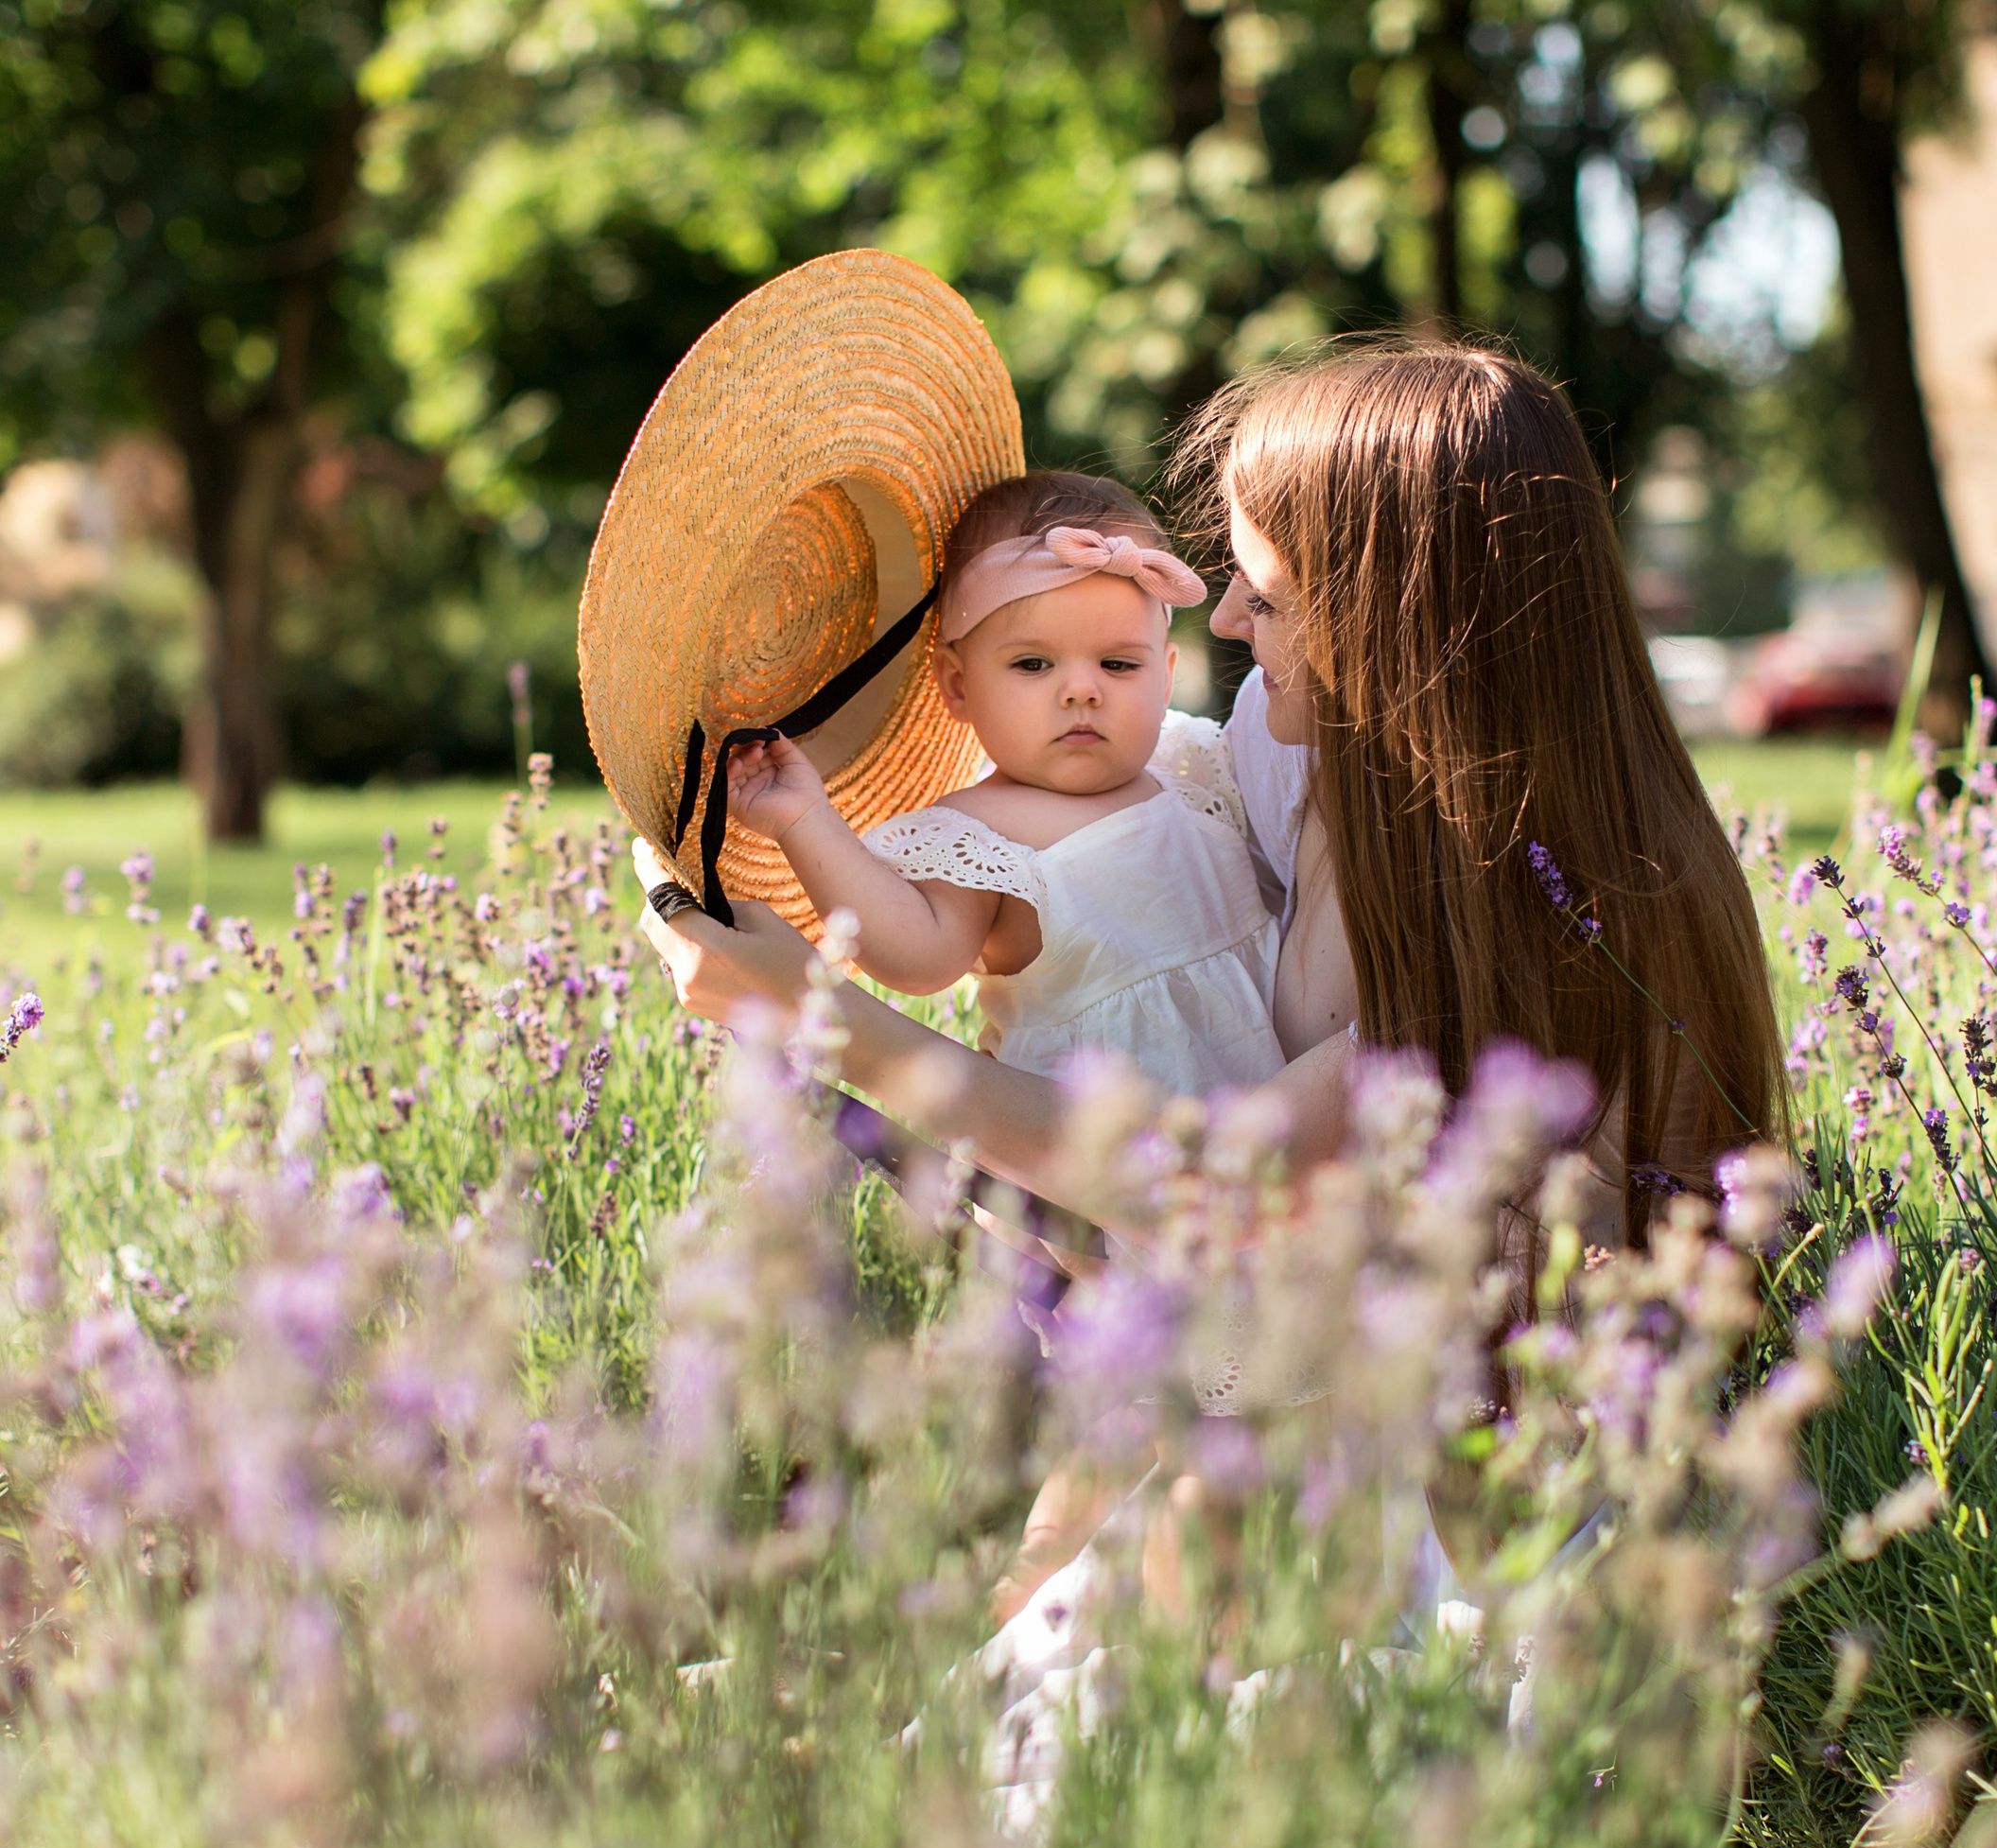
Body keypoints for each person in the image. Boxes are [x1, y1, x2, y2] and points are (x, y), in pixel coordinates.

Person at [637, 338, 1784, 1262]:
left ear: (1402, 626)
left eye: (1267, 595)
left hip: (1479, 1436)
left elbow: (1213, 1186)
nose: (1226, 622)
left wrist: (815, 1016)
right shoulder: (1290, 759)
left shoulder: (1535, 899)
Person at [717, 471, 1287, 1099]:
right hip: (1086, 1150)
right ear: (959, 686)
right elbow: (918, 958)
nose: (1081, 689)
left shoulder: (1192, 764)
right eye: (1033, 663)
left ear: (1166, 675)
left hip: (1272, 1125)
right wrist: (804, 819)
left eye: (1118, 663)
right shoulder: (978, 832)